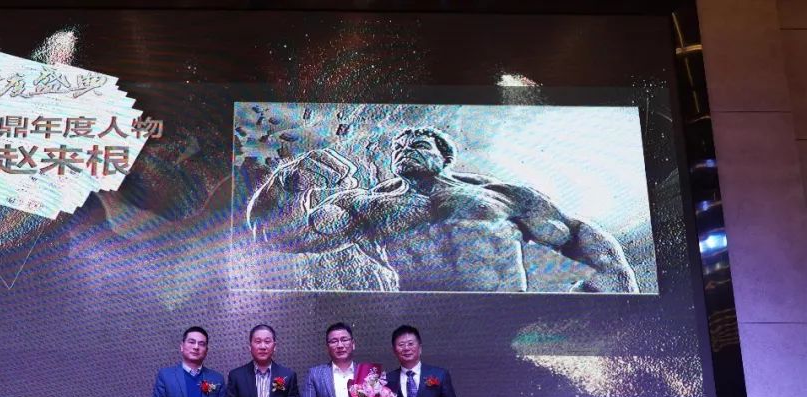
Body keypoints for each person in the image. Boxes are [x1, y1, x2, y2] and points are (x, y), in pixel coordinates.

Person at [246, 126, 639, 293]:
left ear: (444, 156)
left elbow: (574, 234)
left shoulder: (501, 196)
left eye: (419, 144)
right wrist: (289, 181)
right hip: (420, 332)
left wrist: (618, 284)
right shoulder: (367, 207)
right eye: (398, 147)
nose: (404, 149)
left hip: (505, 321)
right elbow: (276, 237)